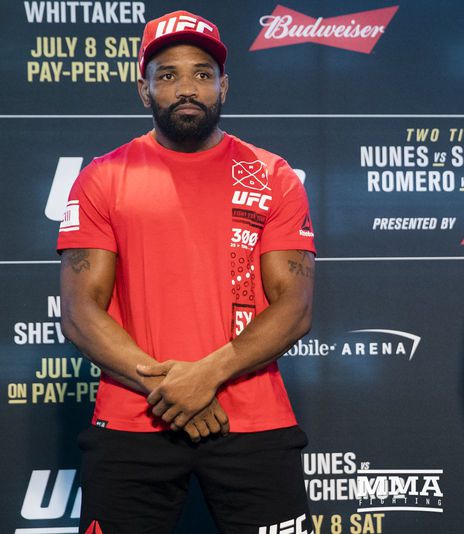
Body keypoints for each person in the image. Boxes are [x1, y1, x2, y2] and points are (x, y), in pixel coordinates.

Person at [58, 10, 315, 533]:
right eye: (168, 75)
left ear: (224, 86)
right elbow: (81, 312)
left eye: (202, 73)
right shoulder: (102, 177)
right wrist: (179, 391)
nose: (187, 88)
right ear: (144, 90)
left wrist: (207, 375)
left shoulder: (273, 175)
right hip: (134, 420)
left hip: (252, 419)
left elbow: (294, 307)